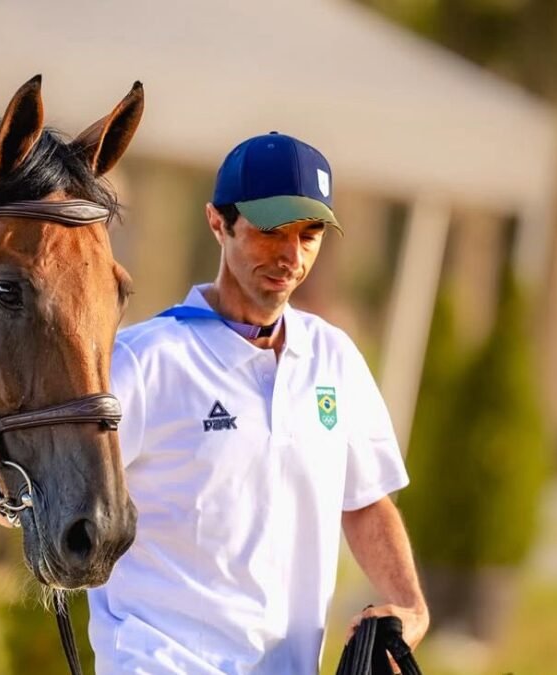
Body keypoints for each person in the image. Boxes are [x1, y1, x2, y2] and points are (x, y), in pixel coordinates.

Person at [86, 132, 430, 674]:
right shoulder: (143, 362)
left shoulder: (333, 357)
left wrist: (410, 608)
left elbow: (364, 500)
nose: (291, 256)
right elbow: (57, 487)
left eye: (310, 235)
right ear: (218, 222)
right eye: (272, 231)